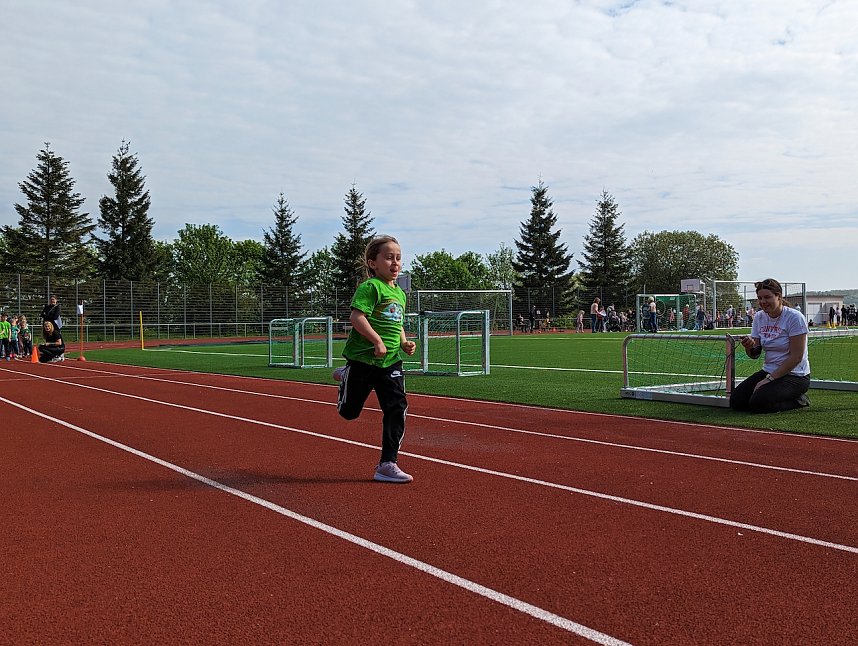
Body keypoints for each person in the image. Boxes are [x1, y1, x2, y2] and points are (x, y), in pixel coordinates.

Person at [332, 235, 417, 484]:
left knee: (396, 407)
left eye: (398, 258)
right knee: (349, 413)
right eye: (388, 257)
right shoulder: (370, 288)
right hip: (364, 360)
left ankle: (388, 463)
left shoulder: (399, 293)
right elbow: (357, 318)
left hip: (391, 361)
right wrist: (376, 341)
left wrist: (403, 342)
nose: (395, 262)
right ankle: (347, 375)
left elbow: (397, 322)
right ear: (373, 263)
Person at [730, 278, 810, 413]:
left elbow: (796, 357)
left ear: (779, 296)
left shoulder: (795, 318)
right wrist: (749, 346)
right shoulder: (759, 317)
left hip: (795, 376)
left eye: (767, 297)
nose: (762, 302)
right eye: (760, 298)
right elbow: (755, 354)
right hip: (769, 371)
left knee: (759, 403)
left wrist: (768, 380)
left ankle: (799, 400)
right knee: (737, 401)